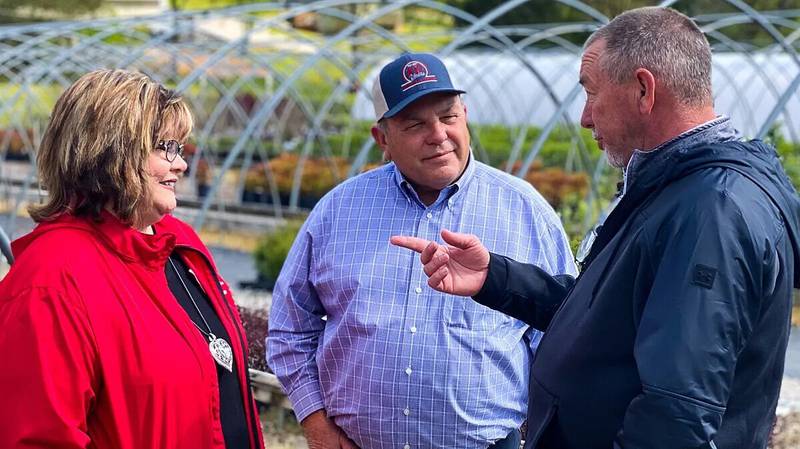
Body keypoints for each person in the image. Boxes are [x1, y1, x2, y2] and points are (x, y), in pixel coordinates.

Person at [392, 7, 800, 449]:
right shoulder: (678, 188)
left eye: (591, 93)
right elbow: (608, 318)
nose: (585, 118)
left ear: (644, 90)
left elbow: (675, 416)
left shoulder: (710, 212)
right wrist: (494, 277)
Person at [267, 53, 576, 449]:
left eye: (448, 117)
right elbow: (290, 329)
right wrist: (315, 423)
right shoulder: (337, 211)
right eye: (415, 124)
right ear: (382, 140)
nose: (438, 134)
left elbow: (563, 335)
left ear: (465, 114)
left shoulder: (525, 210)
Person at [0, 69, 264, 449]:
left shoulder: (180, 243)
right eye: (166, 147)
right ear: (109, 150)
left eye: (181, 148)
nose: (182, 165)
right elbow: (37, 437)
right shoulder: (51, 280)